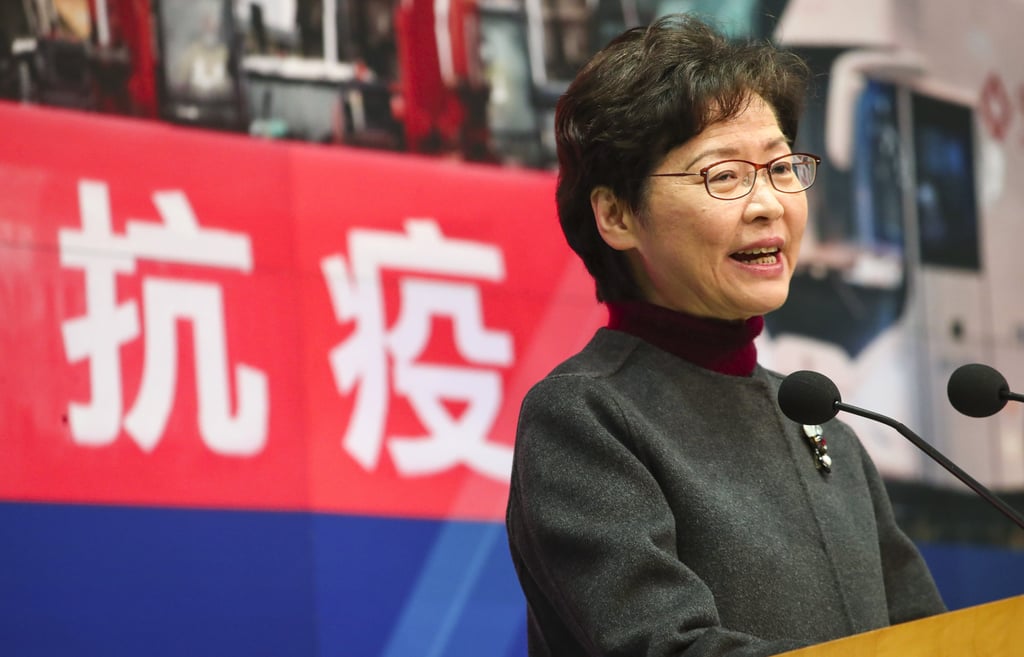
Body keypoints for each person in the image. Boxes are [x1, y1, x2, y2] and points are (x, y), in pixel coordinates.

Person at [505, 14, 946, 657]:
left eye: (781, 167)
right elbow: (662, 647)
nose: (769, 203)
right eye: (725, 176)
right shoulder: (584, 417)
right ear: (617, 214)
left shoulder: (824, 422)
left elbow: (928, 640)